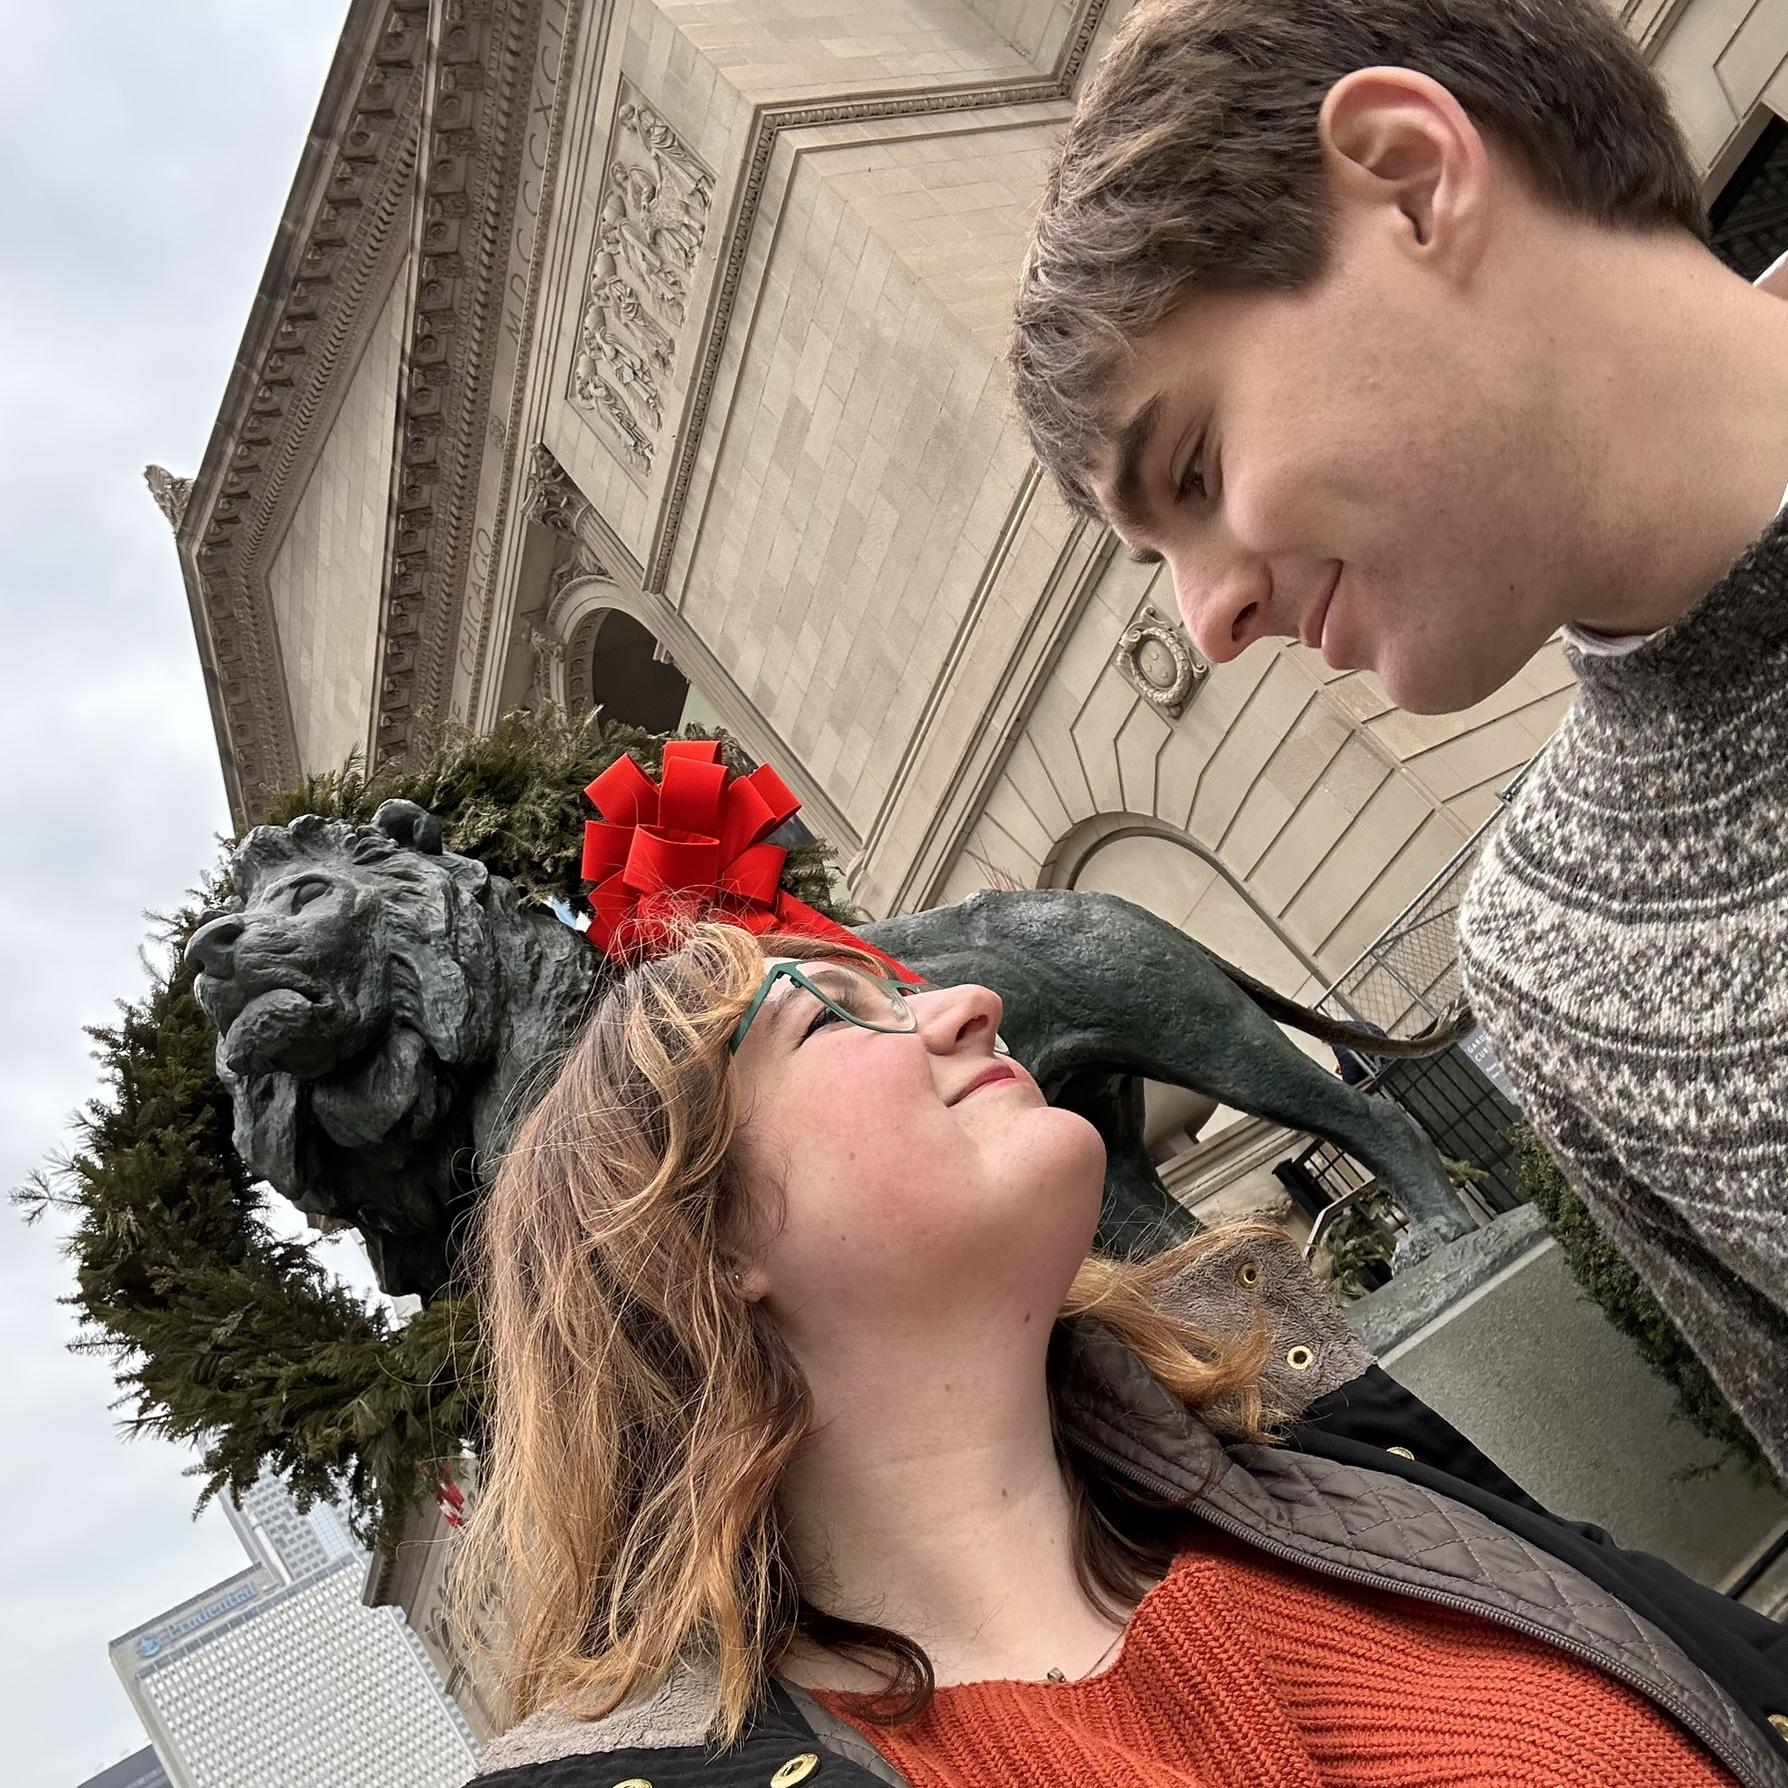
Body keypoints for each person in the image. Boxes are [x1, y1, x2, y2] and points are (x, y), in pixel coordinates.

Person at [1007, 0, 1788, 1483]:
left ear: (1415, 180)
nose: (1209, 620)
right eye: (1156, 557)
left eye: (1194, 466)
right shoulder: (1560, 952)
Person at [458, 924, 1788, 1787]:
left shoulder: (1325, 1447)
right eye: (832, 1019)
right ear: (692, 1249)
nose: (972, 1004)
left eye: (899, 989)